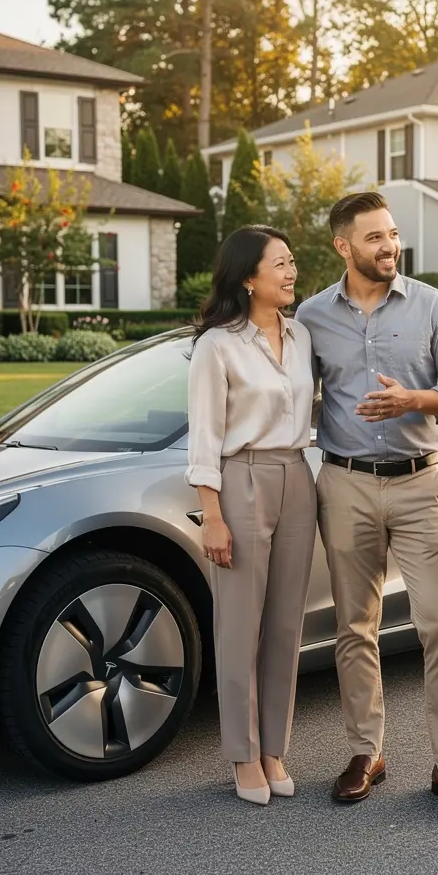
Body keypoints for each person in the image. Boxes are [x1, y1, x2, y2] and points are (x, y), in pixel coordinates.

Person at [295, 191, 438, 819]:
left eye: (393, 234)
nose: (389, 247)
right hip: (345, 484)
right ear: (342, 246)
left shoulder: (433, 305)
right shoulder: (312, 317)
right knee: (355, 626)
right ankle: (364, 751)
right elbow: (293, 393)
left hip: (422, 483)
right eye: (374, 237)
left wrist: (414, 401)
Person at [186, 225, 317, 806]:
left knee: (287, 625)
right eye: (280, 264)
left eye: (292, 262)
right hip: (240, 480)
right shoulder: (217, 344)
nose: (291, 272)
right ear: (247, 277)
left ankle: (273, 748)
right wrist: (211, 516)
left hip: (297, 476)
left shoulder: (303, 336)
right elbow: (204, 437)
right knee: (240, 626)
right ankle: (242, 755)